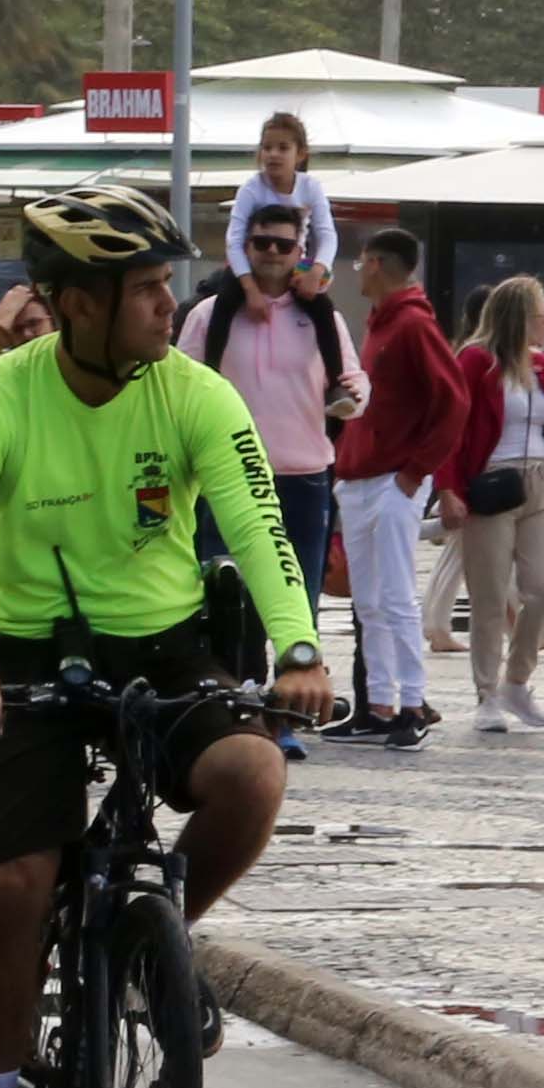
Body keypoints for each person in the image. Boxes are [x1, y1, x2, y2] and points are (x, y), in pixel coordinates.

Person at [0, 185, 329, 1088]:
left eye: (163, 284)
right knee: (15, 882)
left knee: (253, 774)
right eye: (144, 289)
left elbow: (261, 531)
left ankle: (155, 950)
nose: (166, 304)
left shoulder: (193, 393)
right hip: (21, 657)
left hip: (165, 645)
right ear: (74, 304)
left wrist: (298, 647)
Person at [182, 199, 361, 757]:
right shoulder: (210, 315)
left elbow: (353, 376)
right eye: (262, 243)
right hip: (227, 476)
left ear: (301, 250)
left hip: (302, 476)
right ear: (246, 247)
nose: (273, 255)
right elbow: (179, 382)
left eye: (285, 245)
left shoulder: (323, 317)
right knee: (228, 602)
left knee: (297, 601)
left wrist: (353, 398)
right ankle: (237, 715)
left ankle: (284, 719)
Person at [325, 228, 459, 750]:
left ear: (377, 263)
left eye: (361, 261)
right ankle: (382, 702)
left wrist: (415, 471)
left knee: (395, 596)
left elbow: (453, 402)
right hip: (363, 476)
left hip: (390, 479)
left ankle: (411, 702)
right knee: (370, 601)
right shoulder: (385, 324)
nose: (357, 269)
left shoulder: (411, 325)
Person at [440, 275, 544, 734]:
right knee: (490, 597)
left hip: (540, 483)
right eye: (543, 314)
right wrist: (448, 488)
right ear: (520, 316)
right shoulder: (475, 361)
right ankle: (486, 694)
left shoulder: (542, 366)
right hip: (492, 483)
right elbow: (452, 428)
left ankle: (517, 681)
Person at [223, 109, 338, 292]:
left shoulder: (311, 187)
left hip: (295, 270)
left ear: (300, 154)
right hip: (252, 268)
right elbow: (233, 241)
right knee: (223, 304)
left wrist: (317, 271)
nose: (273, 154)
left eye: (283, 148)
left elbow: (327, 235)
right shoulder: (251, 189)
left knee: (321, 310)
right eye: (267, 148)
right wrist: (249, 287)